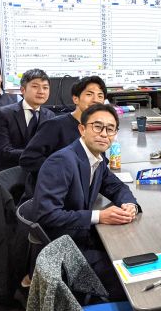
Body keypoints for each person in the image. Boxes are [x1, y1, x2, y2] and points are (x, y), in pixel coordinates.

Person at [32, 103, 140, 300]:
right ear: (82, 129)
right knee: (131, 277)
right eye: (97, 127)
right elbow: (47, 215)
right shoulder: (62, 161)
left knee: (135, 255)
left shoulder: (96, 158)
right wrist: (99, 216)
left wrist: (129, 204)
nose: (104, 134)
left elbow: (116, 187)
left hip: (82, 237)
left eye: (110, 129)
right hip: (66, 249)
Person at [20, 76, 107, 197]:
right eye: (89, 94)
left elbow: (101, 166)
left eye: (100, 96)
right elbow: (28, 159)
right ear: (75, 99)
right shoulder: (55, 126)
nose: (95, 100)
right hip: (52, 194)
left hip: (83, 193)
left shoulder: (98, 129)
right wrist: (65, 172)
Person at [0, 68, 54, 185]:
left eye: (45, 87)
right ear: (23, 90)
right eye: (35, 86)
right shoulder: (2, 114)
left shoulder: (50, 116)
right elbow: (3, 151)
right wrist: (36, 155)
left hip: (34, 172)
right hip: (5, 174)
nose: (41, 91)